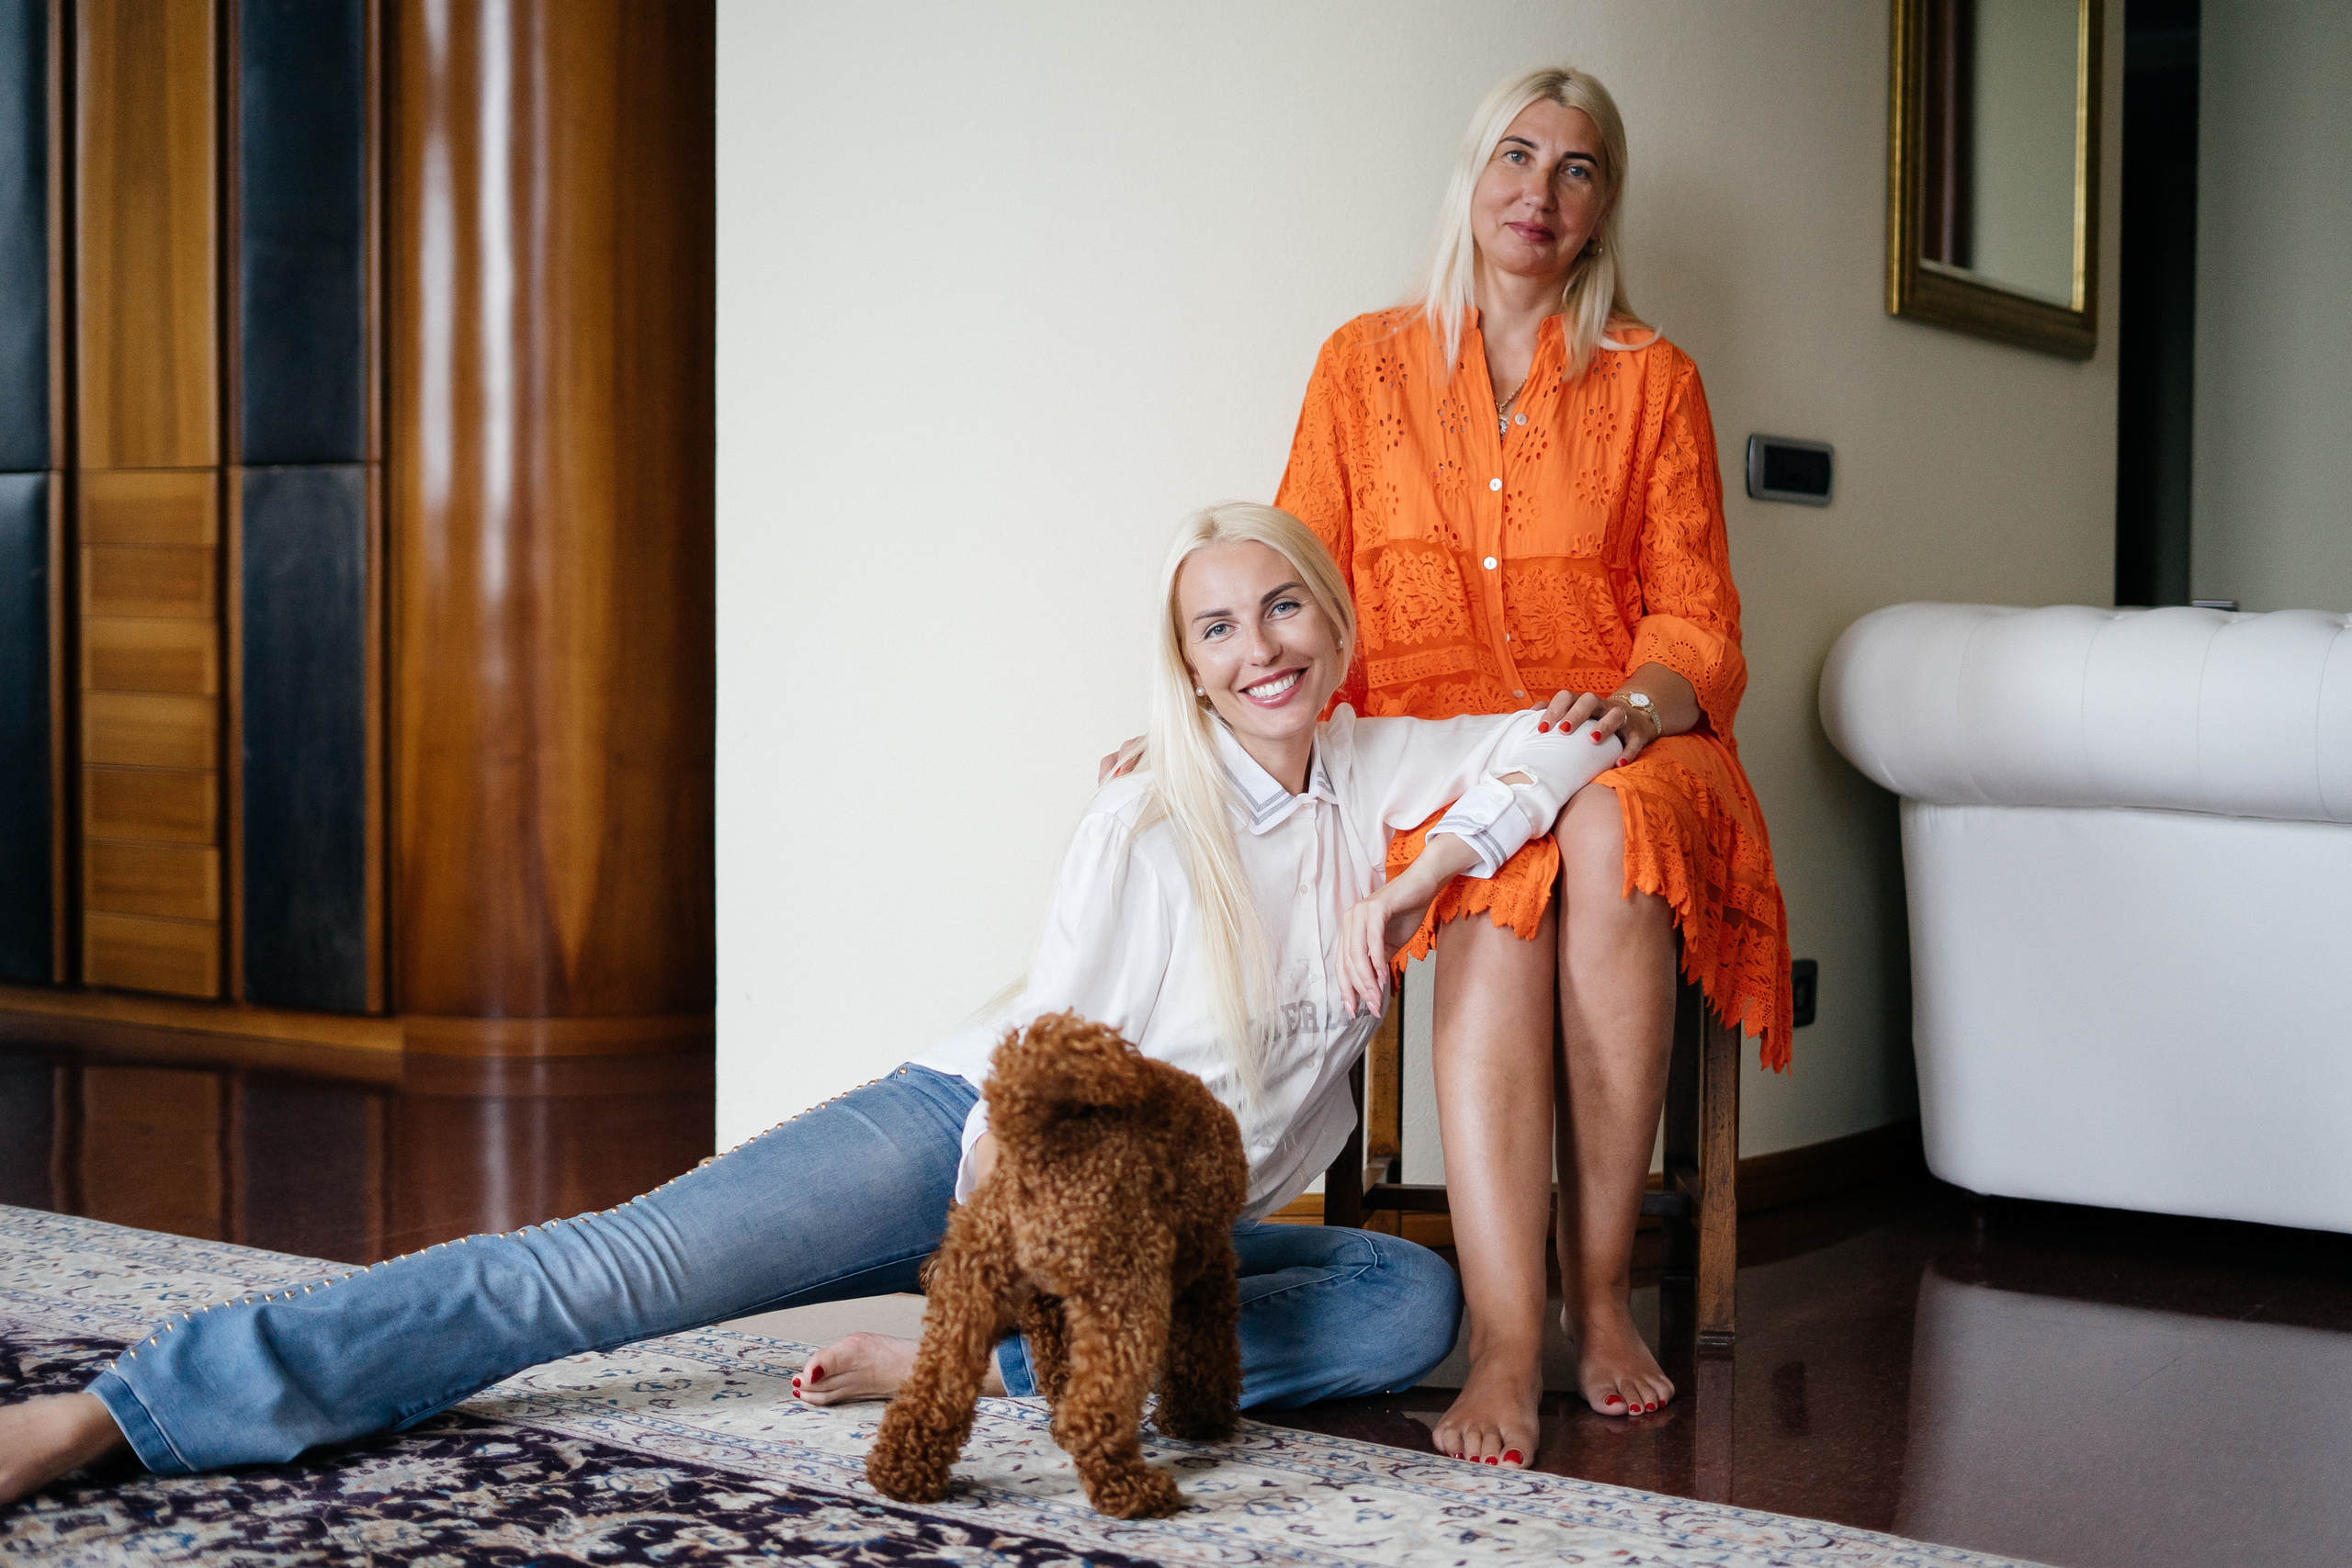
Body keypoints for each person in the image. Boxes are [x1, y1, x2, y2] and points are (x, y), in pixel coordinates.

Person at [0, 503, 1622, 1506]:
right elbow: (1035, 1048)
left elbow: (1589, 730)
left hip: (1139, 1230)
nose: (1261, 647)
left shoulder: (1387, 772)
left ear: (1336, 625)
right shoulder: (1145, 812)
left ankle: (970, 1350)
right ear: (1184, 667)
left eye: (1284, 609)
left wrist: (1434, 869)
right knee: (588, 1282)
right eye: (1219, 626)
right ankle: (115, 1414)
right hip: (962, 1145)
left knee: (1412, 1313)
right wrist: (994, 1220)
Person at [1273, 66, 1793, 1464]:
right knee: (1504, 886)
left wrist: (1627, 711)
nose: (1540, 192)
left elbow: (1699, 626)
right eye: (1518, 156)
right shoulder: (1363, 366)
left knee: (1607, 836)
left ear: (1603, 206)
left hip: (1620, 733)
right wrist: (1209, 710)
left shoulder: (1653, 380)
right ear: (1473, 175)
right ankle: (1507, 1341)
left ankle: (1602, 1297)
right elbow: (1300, 580)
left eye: (1578, 169)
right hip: (1435, 750)